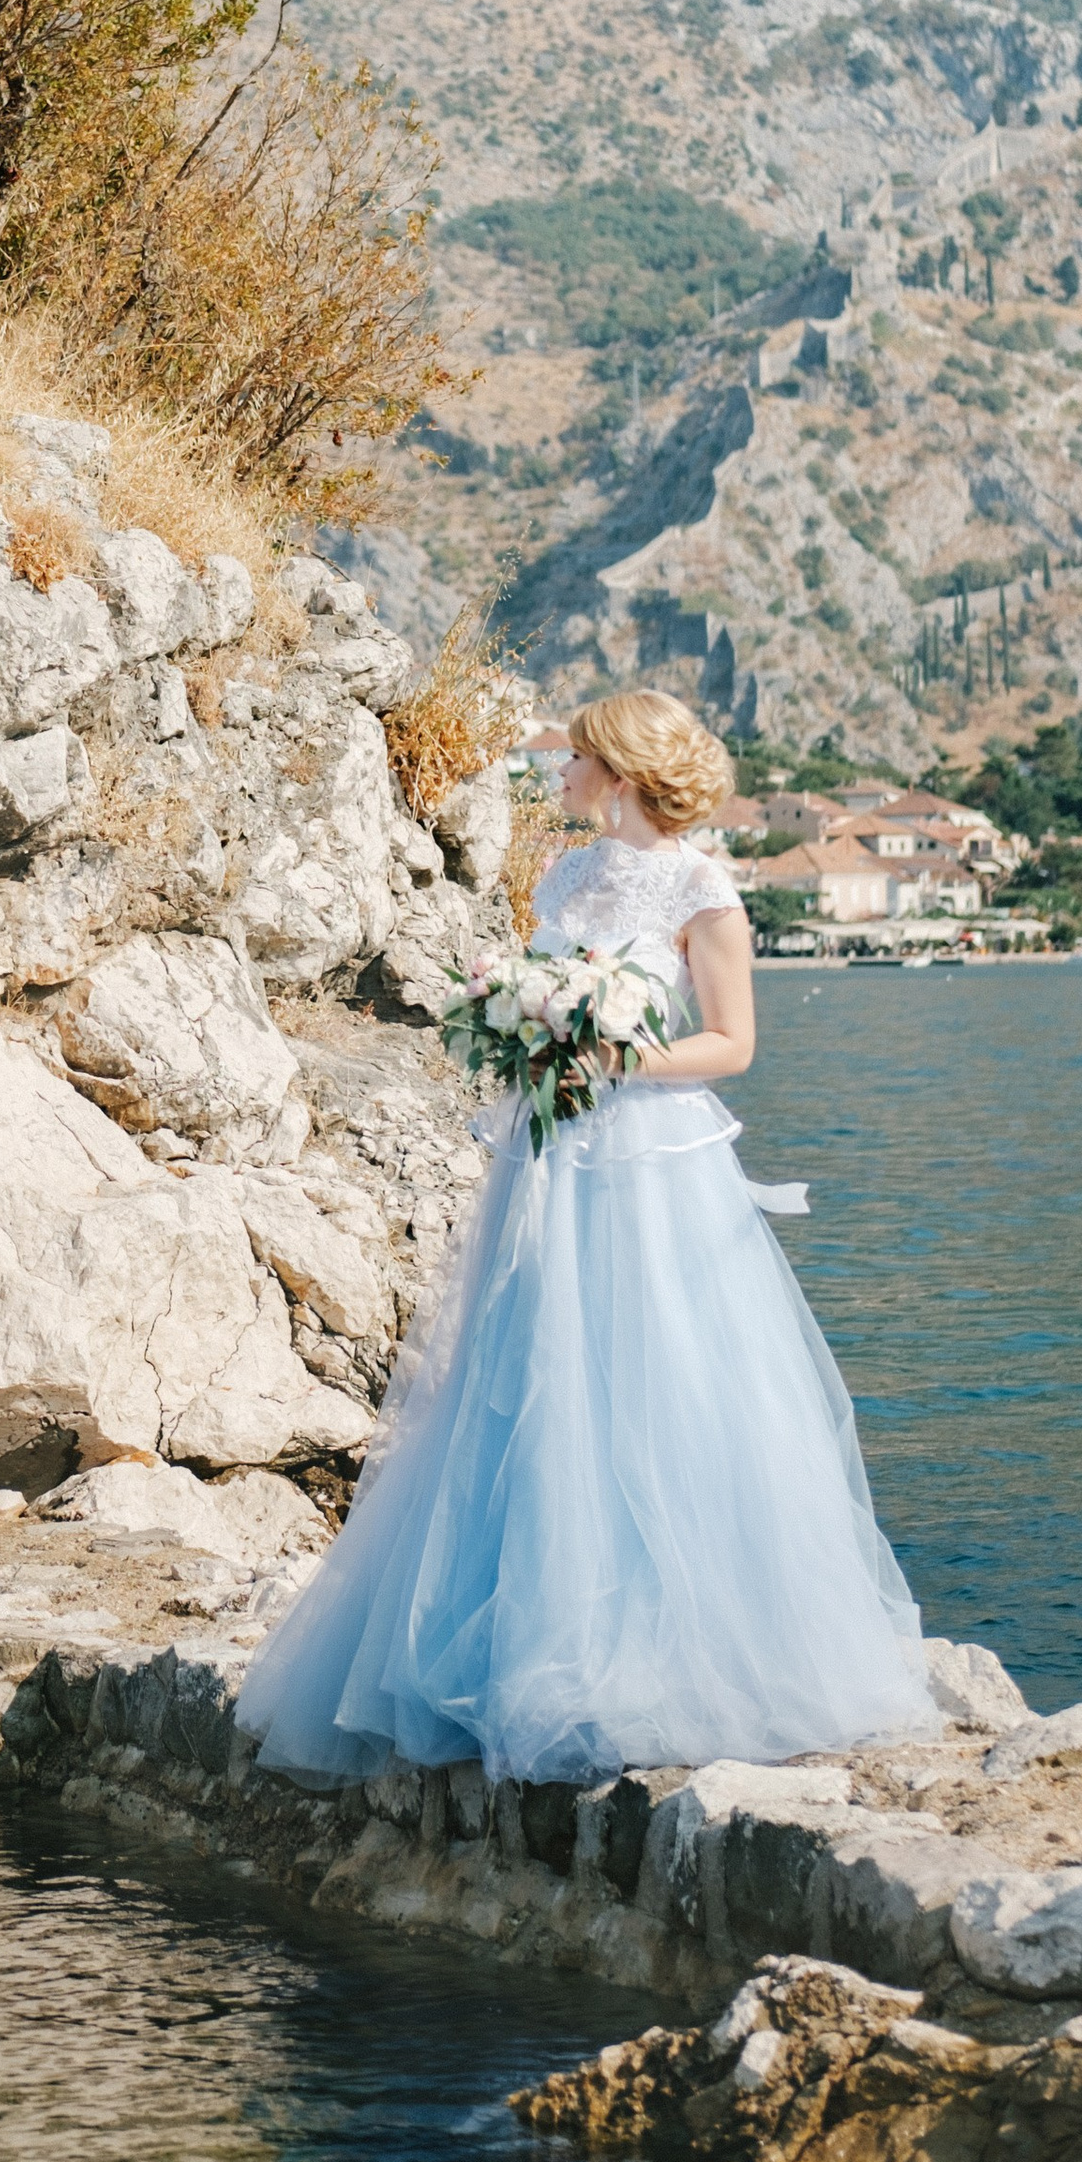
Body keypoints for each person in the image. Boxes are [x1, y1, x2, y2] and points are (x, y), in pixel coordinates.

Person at [237, 688, 938, 1784]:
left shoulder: (704, 889)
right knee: (530, 1378)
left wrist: (616, 1060)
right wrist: (525, 1042)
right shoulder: (562, 878)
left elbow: (732, 1043)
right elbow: (533, 994)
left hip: (652, 1163)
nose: (554, 777)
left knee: (661, 1375)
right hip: (551, 1156)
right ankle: (509, 1641)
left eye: (570, 760)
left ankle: (679, 1653)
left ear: (617, 773)